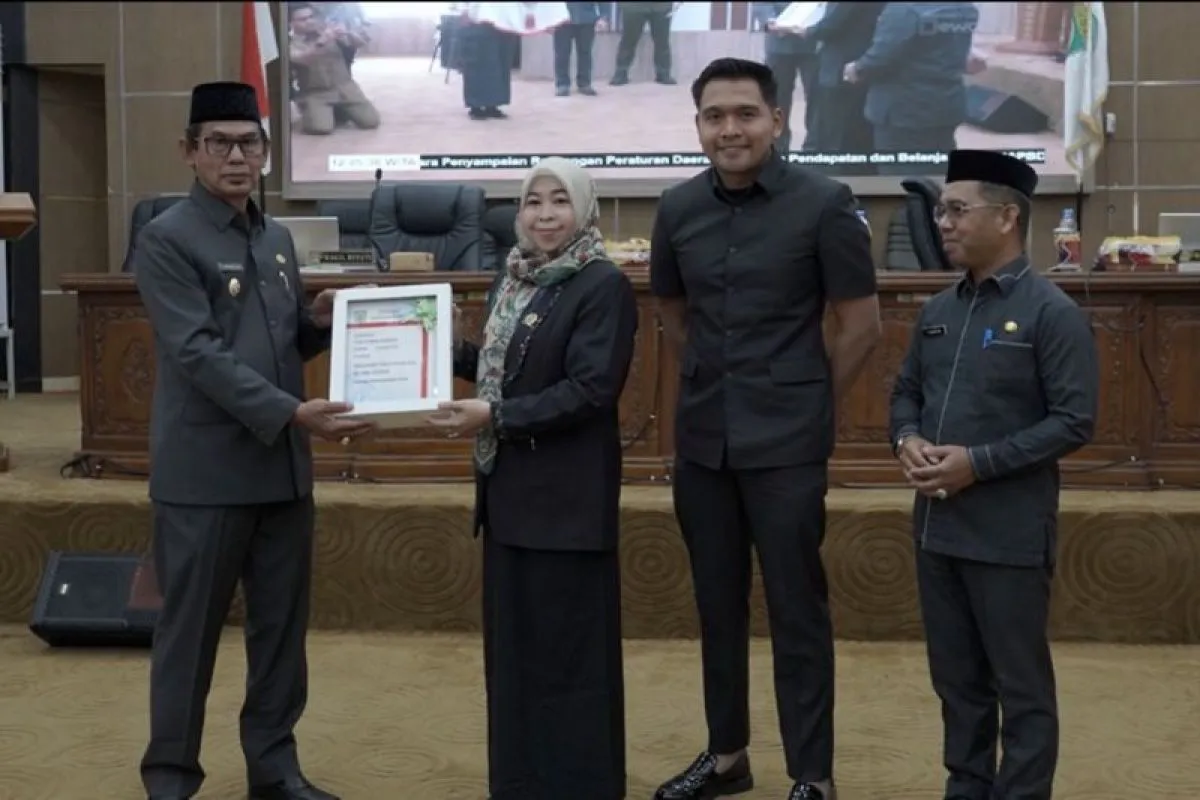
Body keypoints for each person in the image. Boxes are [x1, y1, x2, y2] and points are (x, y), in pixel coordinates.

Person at [650, 57, 881, 800]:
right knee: (716, 608)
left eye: (745, 114)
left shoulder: (825, 203)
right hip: (703, 445)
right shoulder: (677, 208)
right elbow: (674, 314)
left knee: (796, 612)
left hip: (787, 447)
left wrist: (807, 400)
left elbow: (861, 324)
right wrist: (715, 386)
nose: (730, 129)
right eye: (714, 116)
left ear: (777, 121)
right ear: (698, 127)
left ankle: (813, 775)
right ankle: (727, 758)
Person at [134, 81, 373, 800]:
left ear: (266, 152)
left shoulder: (275, 240)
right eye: (219, 143)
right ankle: (171, 777)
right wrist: (294, 413)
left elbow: (276, 341)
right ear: (190, 151)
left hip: (281, 474)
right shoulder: (167, 238)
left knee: (280, 637)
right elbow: (199, 354)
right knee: (189, 637)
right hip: (206, 477)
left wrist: (318, 323)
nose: (236, 157)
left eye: (249, 144)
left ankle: (274, 770)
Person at [888, 150, 1098, 800]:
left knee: (1021, 688)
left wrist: (977, 464)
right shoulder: (938, 309)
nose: (943, 223)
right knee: (957, 684)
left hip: (1008, 535)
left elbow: (1074, 421)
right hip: (937, 530)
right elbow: (905, 392)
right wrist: (907, 438)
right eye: (940, 211)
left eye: (957, 210)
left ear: (1007, 217)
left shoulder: (1050, 312)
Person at [428, 157, 638, 800]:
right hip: (511, 499)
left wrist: (495, 417)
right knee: (517, 659)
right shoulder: (514, 277)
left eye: (559, 201)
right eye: (532, 202)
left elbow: (590, 390)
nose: (545, 215)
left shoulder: (602, 284)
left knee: (568, 660)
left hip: (566, 503)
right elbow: (501, 369)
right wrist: (434, 342)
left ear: (585, 209)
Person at [288, 2, 380, 136]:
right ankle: (314, 109)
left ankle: (338, 111)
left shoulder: (328, 31)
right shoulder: (290, 43)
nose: (309, 21)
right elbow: (305, 59)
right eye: (303, 19)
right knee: (320, 128)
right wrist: (323, 41)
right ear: (291, 23)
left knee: (371, 121)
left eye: (311, 17)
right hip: (316, 92)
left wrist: (348, 33)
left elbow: (361, 44)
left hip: (345, 87)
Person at [553, 2, 611, 97]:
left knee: (585, 53)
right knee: (562, 54)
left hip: (586, 18)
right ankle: (562, 84)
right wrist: (547, 21)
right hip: (562, 19)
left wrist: (603, 17)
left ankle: (584, 83)